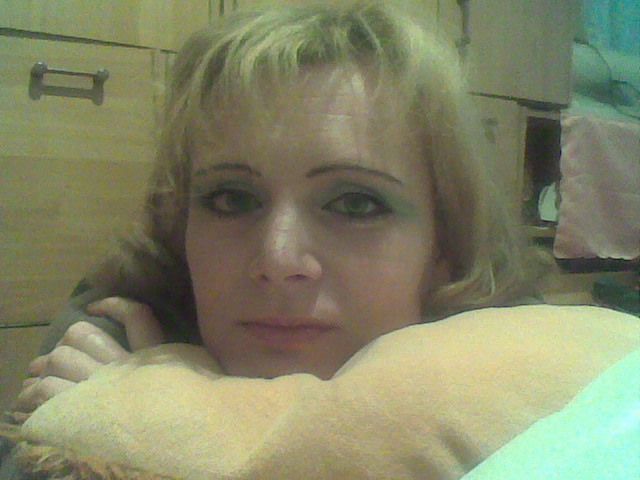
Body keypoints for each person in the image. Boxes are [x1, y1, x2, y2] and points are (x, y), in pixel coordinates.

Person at [12, 0, 545, 416]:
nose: (278, 259)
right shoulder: (117, 329)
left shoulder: (529, 385)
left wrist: (170, 430)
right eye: (231, 199)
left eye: (355, 204)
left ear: (445, 245)